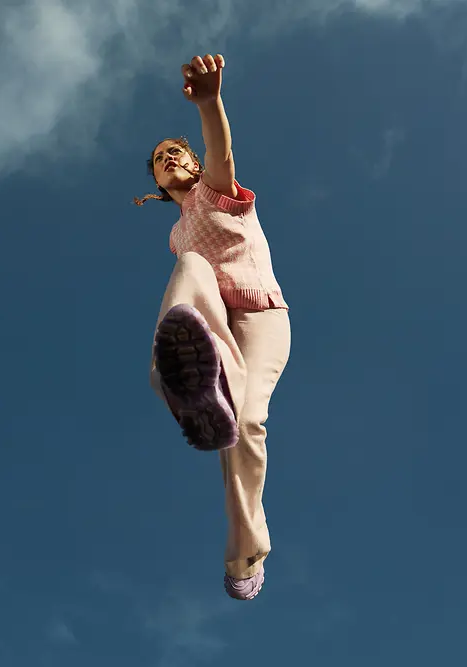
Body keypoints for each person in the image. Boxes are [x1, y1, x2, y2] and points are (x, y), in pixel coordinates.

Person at [135, 53, 291, 601]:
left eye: (175, 150)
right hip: (213, 322)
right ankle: (178, 376)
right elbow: (192, 269)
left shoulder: (215, 190)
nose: (170, 156)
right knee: (191, 265)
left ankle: (245, 551)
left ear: (194, 166)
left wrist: (209, 101)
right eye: (159, 158)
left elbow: (219, 148)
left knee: (245, 426)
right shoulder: (176, 234)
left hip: (261, 317)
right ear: (155, 183)